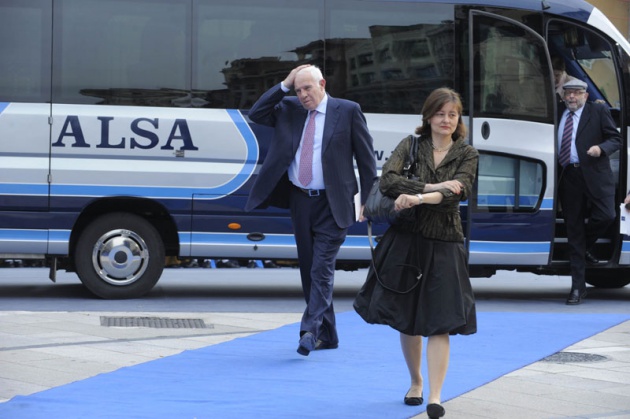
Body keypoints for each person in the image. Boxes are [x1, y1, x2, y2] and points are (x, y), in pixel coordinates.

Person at [354, 87, 478, 419]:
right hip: (406, 239)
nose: (447, 120)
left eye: (453, 114)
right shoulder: (411, 144)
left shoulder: (467, 153)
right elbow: (389, 181)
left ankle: (435, 397)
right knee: (408, 320)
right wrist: (431, 187)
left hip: (445, 241)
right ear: (428, 116)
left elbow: (456, 194)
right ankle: (416, 382)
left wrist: (422, 197)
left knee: (440, 322)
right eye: (441, 114)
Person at [245, 64, 377, 356]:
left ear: (322, 84)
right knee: (309, 269)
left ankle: (309, 330)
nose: (303, 95)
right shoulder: (290, 108)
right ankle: (328, 336)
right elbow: (256, 114)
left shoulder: (348, 110)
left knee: (321, 268)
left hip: (335, 202)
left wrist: (368, 200)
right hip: (300, 200)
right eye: (298, 89)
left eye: (308, 88)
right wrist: (284, 84)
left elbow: (367, 160)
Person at [557, 78, 621, 305]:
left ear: (585, 95)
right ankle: (577, 288)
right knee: (573, 229)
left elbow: (615, 139)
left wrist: (600, 149)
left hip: (596, 174)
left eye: (576, 93)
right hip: (569, 176)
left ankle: (584, 246)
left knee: (607, 216)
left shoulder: (598, 110)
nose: (572, 97)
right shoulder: (558, 114)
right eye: (568, 94)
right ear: (563, 96)